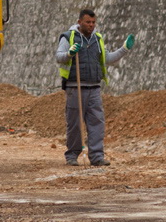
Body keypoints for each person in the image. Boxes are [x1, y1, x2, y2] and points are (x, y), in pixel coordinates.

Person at [55, 9, 130, 166]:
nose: (91, 25)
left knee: (97, 122)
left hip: (94, 87)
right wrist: (69, 53)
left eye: (93, 22)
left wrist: (124, 49)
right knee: (75, 123)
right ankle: (72, 155)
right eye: (88, 22)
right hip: (75, 87)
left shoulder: (97, 39)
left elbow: (107, 59)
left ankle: (96, 156)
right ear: (79, 22)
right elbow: (59, 57)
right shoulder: (68, 37)